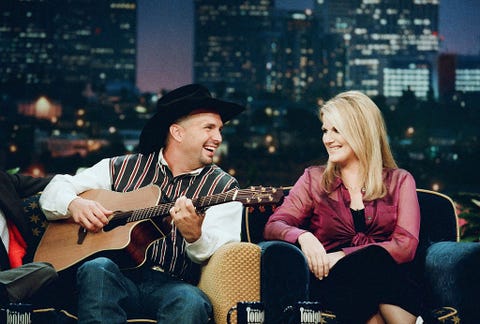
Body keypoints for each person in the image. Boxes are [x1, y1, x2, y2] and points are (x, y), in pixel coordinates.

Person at [39, 84, 245, 323]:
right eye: (208, 128)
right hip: (116, 276)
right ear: (178, 133)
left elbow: (223, 246)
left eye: (220, 129)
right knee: (97, 269)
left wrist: (195, 237)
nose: (218, 138)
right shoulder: (121, 167)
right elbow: (55, 189)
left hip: (173, 285)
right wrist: (74, 205)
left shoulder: (225, 188)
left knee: (190, 301)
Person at [264, 91, 421, 324]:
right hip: (333, 281)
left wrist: (342, 255)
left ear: (361, 132)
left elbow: (405, 246)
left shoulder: (400, 180)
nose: (327, 139)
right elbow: (274, 225)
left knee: (375, 261)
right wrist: (304, 237)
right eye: (325, 131)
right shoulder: (313, 180)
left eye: (336, 130)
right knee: (367, 270)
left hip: (388, 280)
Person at [0, 169, 57, 305]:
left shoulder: (3, 181)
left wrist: (85, 179)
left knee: (44, 272)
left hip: (9, 278)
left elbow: (49, 182)